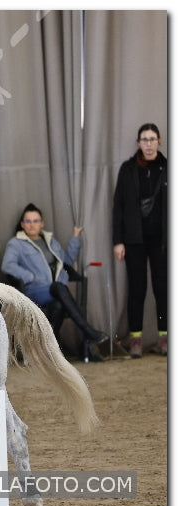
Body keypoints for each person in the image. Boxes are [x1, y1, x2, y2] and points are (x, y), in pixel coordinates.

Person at [1, 203, 108, 357]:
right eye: (28, 221)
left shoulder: (50, 241)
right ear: (22, 224)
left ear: (42, 223)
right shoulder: (16, 243)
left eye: (36, 221)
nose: (32, 225)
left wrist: (75, 238)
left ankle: (50, 348)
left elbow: (67, 262)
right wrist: (30, 276)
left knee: (59, 304)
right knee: (58, 287)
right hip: (34, 291)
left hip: (55, 292)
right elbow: (7, 265)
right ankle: (89, 332)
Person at [112, 123, 167, 358]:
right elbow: (118, 207)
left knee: (163, 288)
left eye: (152, 139)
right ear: (138, 143)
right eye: (144, 139)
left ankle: (165, 338)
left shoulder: (168, 167)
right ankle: (135, 339)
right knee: (137, 288)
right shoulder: (128, 169)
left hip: (162, 241)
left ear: (159, 141)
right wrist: (118, 241)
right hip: (134, 240)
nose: (148, 143)